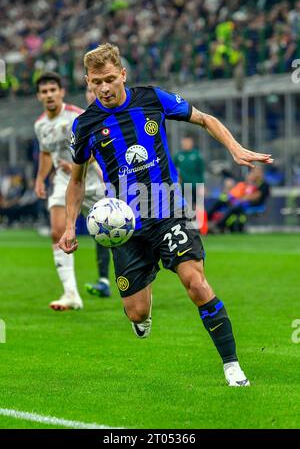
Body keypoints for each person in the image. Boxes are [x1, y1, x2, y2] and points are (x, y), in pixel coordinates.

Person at [59, 43, 273, 386]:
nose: (104, 88)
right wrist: (70, 226)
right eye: (96, 81)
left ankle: (232, 367)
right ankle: (144, 306)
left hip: (169, 210)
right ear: (88, 81)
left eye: (110, 79)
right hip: (124, 226)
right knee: (137, 312)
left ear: (123, 75)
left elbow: (205, 119)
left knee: (196, 283)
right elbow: (76, 179)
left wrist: (235, 148)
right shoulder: (85, 125)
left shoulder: (152, 98)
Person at [34, 71, 108, 311]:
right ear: (39, 96)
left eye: (52, 90)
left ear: (61, 92)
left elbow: (97, 147)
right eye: (44, 91)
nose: (49, 95)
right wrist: (40, 178)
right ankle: (71, 294)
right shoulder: (40, 125)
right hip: (63, 183)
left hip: (91, 182)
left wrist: (79, 164)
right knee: (57, 232)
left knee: (115, 233)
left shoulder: (77, 116)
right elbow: (46, 153)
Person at [83, 86, 111, 298]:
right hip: (89, 187)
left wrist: (77, 162)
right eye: (89, 90)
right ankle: (103, 280)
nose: (92, 94)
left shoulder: (113, 115)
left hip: (111, 185)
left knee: (119, 232)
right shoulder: (83, 120)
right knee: (101, 233)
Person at [208, 166, 270, 232]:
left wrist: (242, 199)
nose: (255, 174)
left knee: (233, 209)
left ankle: (219, 226)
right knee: (221, 202)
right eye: (254, 172)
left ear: (262, 173)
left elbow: (256, 197)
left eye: (257, 172)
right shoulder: (249, 184)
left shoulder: (264, 185)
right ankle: (207, 219)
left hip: (251, 204)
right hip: (240, 202)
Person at [173, 134, 205, 209]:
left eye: (188, 142)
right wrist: (177, 178)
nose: (186, 144)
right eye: (184, 142)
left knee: (199, 206)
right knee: (186, 206)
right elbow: (173, 169)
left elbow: (201, 171)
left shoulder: (197, 155)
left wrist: (202, 186)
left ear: (192, 143)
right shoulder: (178, 155)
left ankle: (200, 220)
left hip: (196, 185)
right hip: (184, 186)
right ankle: (188, 220)